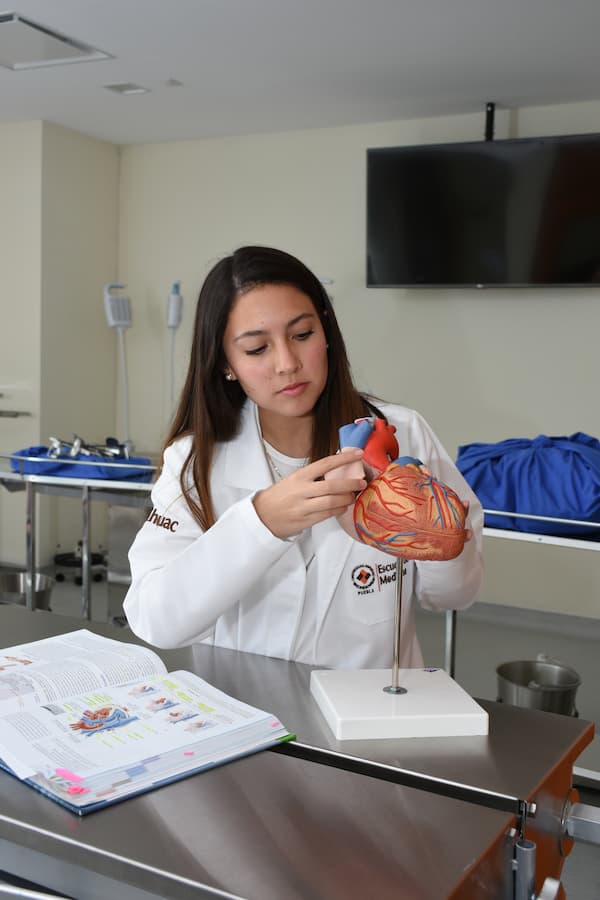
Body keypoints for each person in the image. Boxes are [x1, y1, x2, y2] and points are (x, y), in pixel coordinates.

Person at [124, 246, 483, 669]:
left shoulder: (403, 433)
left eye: (302, 335)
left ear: (326, 332)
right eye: (257, 349)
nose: (287, 363)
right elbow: (155, 620)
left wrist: (431, 532)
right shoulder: (195, 460)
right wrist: (260, 523)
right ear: (226, 364)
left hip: (366, 714)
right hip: (246, 713)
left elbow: (455, 595)